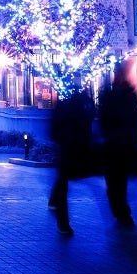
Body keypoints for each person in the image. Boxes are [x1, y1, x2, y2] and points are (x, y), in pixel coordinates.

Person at [98, 60, 137, 227]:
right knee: (119, 181)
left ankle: (120, 211)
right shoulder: (128, 96)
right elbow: (135, 121)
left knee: (115, 181)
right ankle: (122, 212)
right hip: (122, 145)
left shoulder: (111, 96)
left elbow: (103, 121)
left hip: (115, 145)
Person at [48, 88, 97, 236]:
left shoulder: (63, 107)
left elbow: (54, 130)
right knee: (64, 181)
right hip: (77, 148)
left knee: (63, 181)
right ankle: (62, 220)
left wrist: (63, 140)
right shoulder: (83, 107)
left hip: (67, 148)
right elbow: (89, 123)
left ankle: (63, 222)